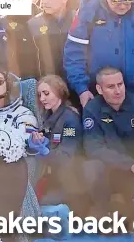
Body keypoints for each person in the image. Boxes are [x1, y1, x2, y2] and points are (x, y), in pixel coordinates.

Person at [81, 67, 134, 216]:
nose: (118, 90)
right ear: (99, 89)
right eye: (110, 86)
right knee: (90, 167)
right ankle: (103, 213)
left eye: (120, 84)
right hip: (112, 168)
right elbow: (93, 148)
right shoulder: (92, 109)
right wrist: (129, 164)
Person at [32, 75, 83, 207]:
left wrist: (44, 151)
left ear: (59, 92)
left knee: (39, 205)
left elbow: (66, 156)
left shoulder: (70, 119)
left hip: (70, 180)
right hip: (53, 176)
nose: (42, 98)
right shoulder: (48, 117)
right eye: (40, 95)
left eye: (46, 93)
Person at [18, 0, 79, 80]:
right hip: (47, 87)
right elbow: (28, 62)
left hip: (77, 84)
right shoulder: (33, 24)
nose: (44, 1)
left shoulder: (79, 20)